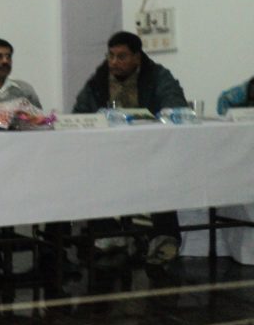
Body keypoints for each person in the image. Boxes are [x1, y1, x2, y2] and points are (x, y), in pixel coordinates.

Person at [73, 31, 188, 265]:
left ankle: (164, 237)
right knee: (89, 171)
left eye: (121, 56)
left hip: (150, 150)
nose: (114, 62)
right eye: (111, 56)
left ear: (137, 57)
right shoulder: (99, 80)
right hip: (108, 152)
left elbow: (175, 106)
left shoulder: (157, 76)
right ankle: (108, 232)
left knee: (162, 175)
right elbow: (80, 113)